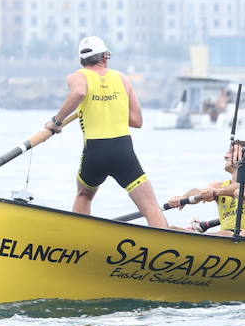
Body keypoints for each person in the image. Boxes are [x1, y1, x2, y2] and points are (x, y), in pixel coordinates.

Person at [43, 36, 168, 228]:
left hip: (95, 151)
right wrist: (112, 108)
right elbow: (137, 121)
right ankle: (166, 247)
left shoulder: (77, 76)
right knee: (151, 208)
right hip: (123, 151)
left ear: (81, 60)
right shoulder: (122, 79)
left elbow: (79, 93)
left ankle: (81, 240)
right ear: (105, 57)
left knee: (84, 195)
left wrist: (56, 121)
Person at [167, 139, 245, 237]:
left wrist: (218, 192)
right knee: (171, 229)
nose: (225, 156)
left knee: (227, 234)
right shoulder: (217, 185)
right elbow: (198, 192)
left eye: (232, 152)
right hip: (225, 237)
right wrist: (183, 198)